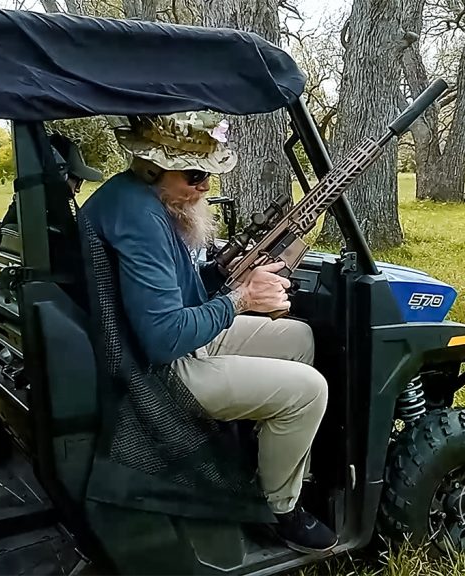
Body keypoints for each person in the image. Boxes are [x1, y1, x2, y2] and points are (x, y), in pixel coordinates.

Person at [80, 111, 337, 554]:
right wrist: (242, 299)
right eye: (195, 175)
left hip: (149, 343)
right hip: (152, 372)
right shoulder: (140, 217)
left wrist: (219, 275)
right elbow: (165, 335)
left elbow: (172, 295)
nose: (204, 188)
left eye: (209, 176)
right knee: (310, 390)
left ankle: (269, 462)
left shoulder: (144, 200)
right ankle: (279, 509)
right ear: (151, 167)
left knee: (299, 339)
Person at [0, 133, 103, 228]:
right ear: (61, 177)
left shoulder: (23, 212)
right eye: (78, 182)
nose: (77, 190)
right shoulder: (51, 227)